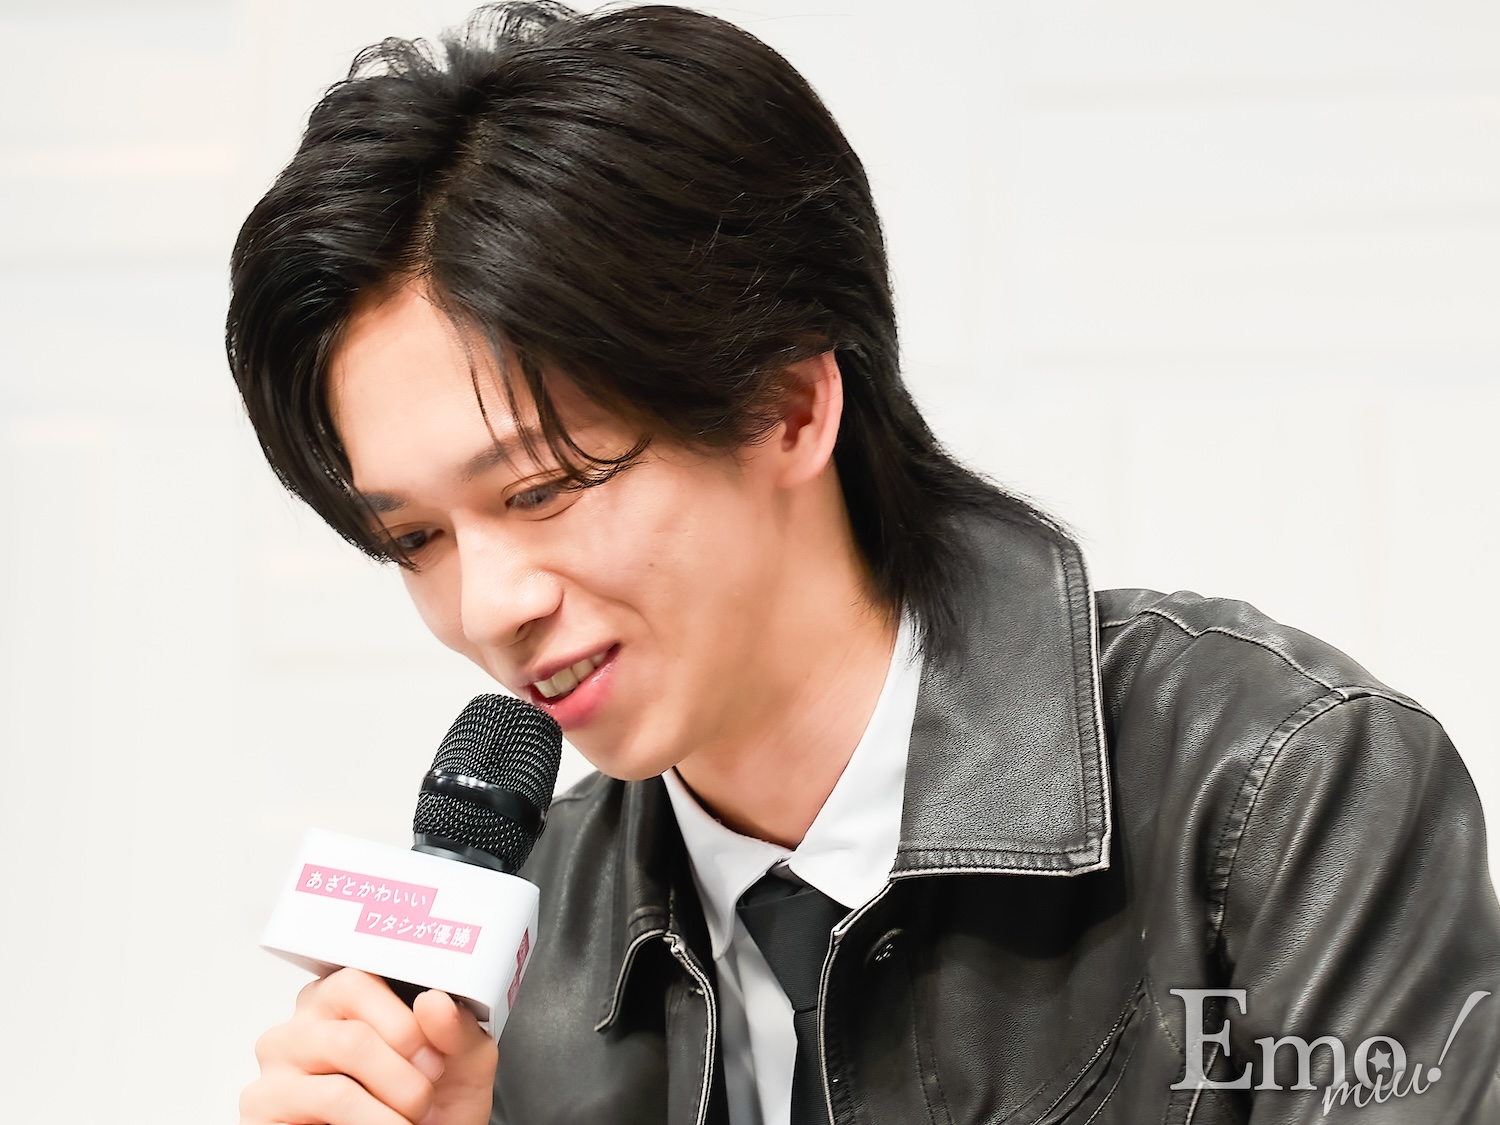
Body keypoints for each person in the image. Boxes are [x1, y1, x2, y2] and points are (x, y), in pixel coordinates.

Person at [227, 3, 1500, 1123]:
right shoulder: (531, 953)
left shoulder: (1279, 792)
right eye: (416, 538)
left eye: (543, 487)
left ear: (788, 405)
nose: (489, 605)